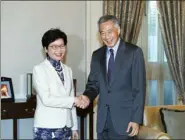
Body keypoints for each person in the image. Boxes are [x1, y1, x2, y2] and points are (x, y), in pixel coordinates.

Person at [77, 15, 146, 139]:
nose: (106, 37)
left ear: (118, 30)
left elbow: (139, 89)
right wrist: (87, 96)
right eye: (102, 33)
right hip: (103, 122)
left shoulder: (134, 52)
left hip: (125, 122)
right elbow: (93, 84)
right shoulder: (97, 55)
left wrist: (136, 119)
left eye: (110, 32)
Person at [32, 28, 81, 140]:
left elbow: (71, 98)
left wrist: (74, 127)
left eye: (62, 46)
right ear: (45, 49)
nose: (59, 50)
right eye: (54, 46)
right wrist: (74, 100)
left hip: (67, 127)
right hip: (47, 128)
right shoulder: (39, 69)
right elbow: (47, 99)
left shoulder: (68, 70)